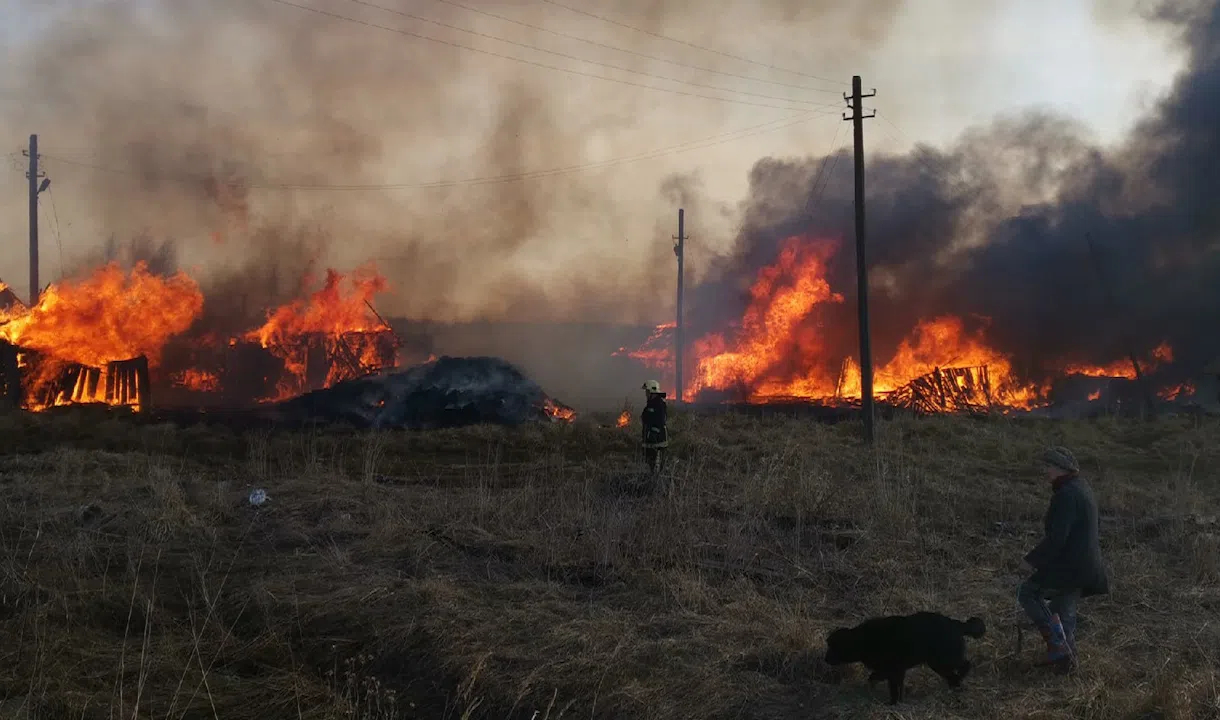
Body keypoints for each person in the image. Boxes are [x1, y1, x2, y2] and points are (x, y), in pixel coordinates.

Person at [1018, 445, 1110, 674]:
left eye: (1048, 466)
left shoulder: (1066, 495)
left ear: (1060, 469)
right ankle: (1066, 661)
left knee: (1028, 593)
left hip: (1072, 566)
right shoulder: (1081, 488)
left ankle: (1059, 648)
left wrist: (1031, 561)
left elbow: (1057, 538)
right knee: (1062, 606)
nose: (1046, 471)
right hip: (1087, 565)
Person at [640, 380, 668, 476]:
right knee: (650, 467)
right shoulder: (651, 403)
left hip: (657, 441)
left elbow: (659, 421)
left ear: (652, 392)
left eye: (647, 391)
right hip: (651, 441)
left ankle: (658, 487)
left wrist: (652, 434)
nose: (646, 394)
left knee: (657, 468)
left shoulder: (658, 404)